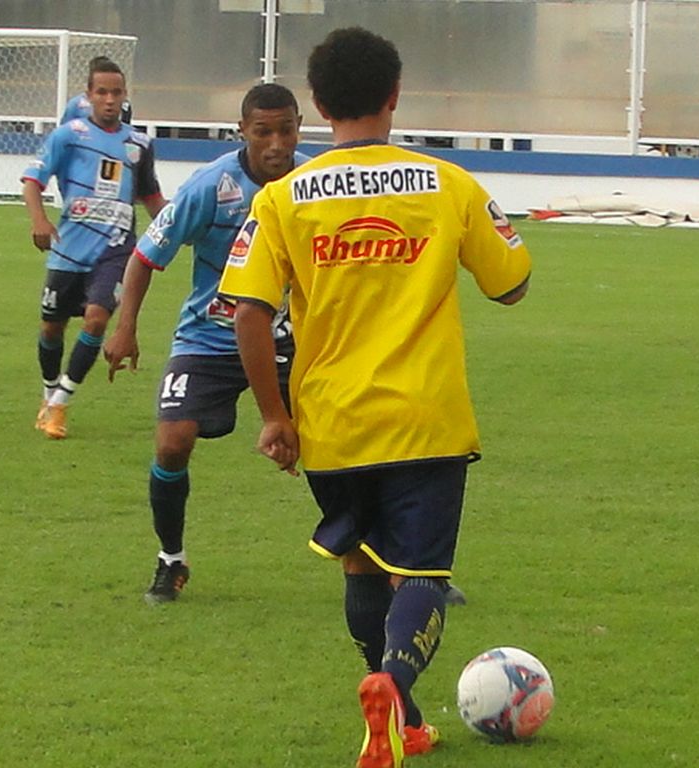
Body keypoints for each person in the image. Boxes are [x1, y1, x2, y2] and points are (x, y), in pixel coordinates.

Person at [218, 27, 531, 768]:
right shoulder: (448, 184)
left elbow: (248, 313)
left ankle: (406, 724)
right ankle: (393, 684)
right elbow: (511, 284)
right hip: (426, 418)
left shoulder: (282, 199)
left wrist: (273, 416)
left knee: (360, 564)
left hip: (332, 423)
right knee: (421, 575)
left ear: (319, 105)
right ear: (394, 95)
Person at [102, 83, 307, 603]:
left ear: (299, 128)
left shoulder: (312, 186)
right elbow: (145, 257)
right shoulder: (210, 187)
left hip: (288, 340)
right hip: (208, 339)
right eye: (263, 132)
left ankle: (396, 564)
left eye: (286, 130)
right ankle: (171, 559)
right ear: (242, 131)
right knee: (172, 443)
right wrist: (125, 328)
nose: (276, 144)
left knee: (346, 442)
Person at [22, 58, 165, 440]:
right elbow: (33, 181)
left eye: (116, 92)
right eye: (102, 92)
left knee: (97, 319)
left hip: (116, 249)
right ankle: (48, 391)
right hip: (69, 248)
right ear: (89, 95)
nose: (109, 99)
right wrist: (39, 221)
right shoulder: (68, 136)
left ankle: (61, 402)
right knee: (51, 328)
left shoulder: (139, 144)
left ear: (125, 95)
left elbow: (151, 196)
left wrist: (180, 224)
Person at [61, 56, 133, 125]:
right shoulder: (76, 103)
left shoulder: (124, 103)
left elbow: (125, 125)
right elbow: (66, 126)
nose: (109, 101)